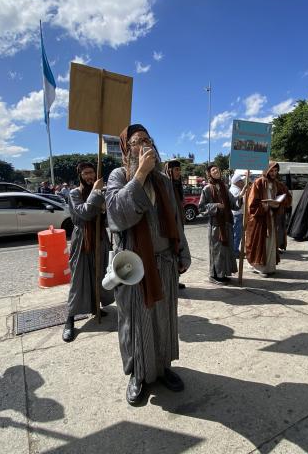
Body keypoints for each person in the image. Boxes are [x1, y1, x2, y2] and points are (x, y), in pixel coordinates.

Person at [105, 124, 191, 405]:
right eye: (136, 141)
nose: (143, 144)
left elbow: (177, 220)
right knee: (136, 322)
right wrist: (140, 174)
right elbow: (118, 214)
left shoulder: (164, 181)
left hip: (165, 262)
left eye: (147, 140)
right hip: (134, 267)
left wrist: (181, 253)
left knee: (164, 318)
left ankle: (163, 366)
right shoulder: (119, 176)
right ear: (126, 149)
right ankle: (139, 374)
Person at [62, 162, 114, 342]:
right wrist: (96, 194)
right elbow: (83, 214)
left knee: (99, 274)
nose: (90, 176)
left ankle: (96, 307)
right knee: (79, 279)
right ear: (80, 175)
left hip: (100, 237)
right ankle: (70, 320)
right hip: (83, 239)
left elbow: (105, 217)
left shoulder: (100, 191)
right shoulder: (74, 193)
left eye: (92, 172)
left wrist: (104, 207)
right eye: (86, 173)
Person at [199, 164, 245, 285]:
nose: (216, 171)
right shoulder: (207, 188)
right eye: (213, 170)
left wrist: (240, 196)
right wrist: (215, 205)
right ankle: (215, 275)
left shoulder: (224, 187)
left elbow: (233, 203)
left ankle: (223, 274)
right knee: (216, 251)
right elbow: (201, 207)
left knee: (225, 250)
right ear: (209, 173)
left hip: (227, 223)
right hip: (215, 226)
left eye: (217, 169)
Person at [245, 162, 291, 276]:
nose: (273, 173)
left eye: (275, 171)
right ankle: (259, 267)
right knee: (260, 243)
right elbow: (252, 205)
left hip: (271, 218)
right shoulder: (258, 183)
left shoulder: (278, 184)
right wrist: (264, 206)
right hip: (259, 220)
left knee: (270, 243)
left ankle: (269, 267)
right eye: (271, 171)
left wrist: (279, 203)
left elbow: (287, 198)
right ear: (266, 171)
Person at [164, 159, 186, 289]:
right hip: (169, 226)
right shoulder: (165, 185)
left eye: (179, 169)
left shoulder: (177, 184)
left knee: (178, 252)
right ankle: (169, 280)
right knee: (170, 252)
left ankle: (175, 279)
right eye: (176, 169)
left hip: (178, 225)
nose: (179, 172)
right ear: (169, 170)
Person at [228, 173, 246, 257]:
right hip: (237, 214)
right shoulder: (236, 190)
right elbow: (238, 204)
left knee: (236, 234)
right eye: (241, 180)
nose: (243, 182)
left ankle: (234, 250)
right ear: (237, 182)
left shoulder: (235, 189)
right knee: (237, 234)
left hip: (236, 214)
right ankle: (235, 252)